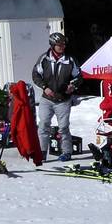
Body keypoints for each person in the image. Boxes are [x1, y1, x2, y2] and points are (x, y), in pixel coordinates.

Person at [32, 32, 82, 162]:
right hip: (47, 99)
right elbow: (36, 75)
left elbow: (79, 76)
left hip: (63, 99)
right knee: (43, 125)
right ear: (53, 45)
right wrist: (44, 87)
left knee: (63, 127)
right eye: (59, 45)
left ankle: (67, 152)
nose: (62, 47)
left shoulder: (70, 60)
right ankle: (42, 152)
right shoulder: (44, 58)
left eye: (64, 45)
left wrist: (73, 85)